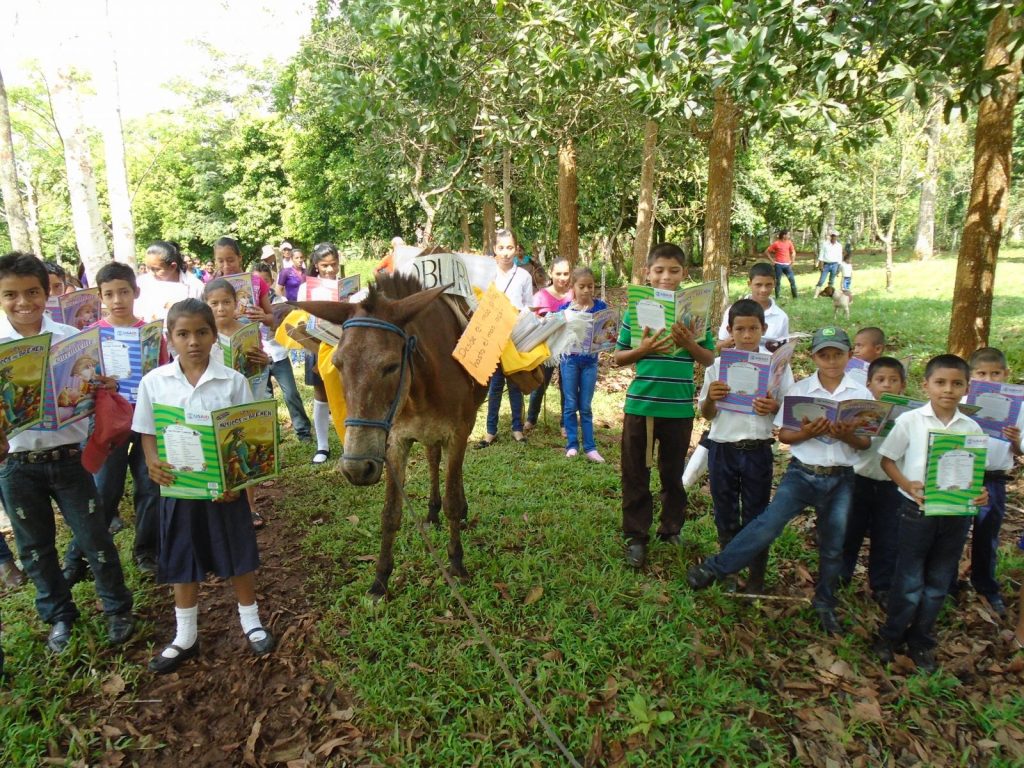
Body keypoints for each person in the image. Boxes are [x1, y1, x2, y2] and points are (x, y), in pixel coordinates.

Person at [688, 326, 873, 636]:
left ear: (849, 356)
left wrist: (848, 434)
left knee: (832, 545)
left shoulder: (861, 394)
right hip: (802, 473)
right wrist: (809, 432)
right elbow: (785, 434)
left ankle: (825, 602)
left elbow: (865, 444)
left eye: (837, 355)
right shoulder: (801, 390)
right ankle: (716, 568)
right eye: (824, 355)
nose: (830, 361)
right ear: (814, 357)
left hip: (840, 478)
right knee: (767, 524)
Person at [0, 251, 134, 653]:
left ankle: (117, 608)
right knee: (35, 549)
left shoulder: (69, 340)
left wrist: (101, 386)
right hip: (17, 464)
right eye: (11, 295)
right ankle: (59, 615)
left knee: (95, 536)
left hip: (69, 458)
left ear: (45, 292)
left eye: (32, 292)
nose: (24, 303)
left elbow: (89, 388)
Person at [134, 298, 274, 673]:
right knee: (182, 556)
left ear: (214, 336)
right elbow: (147, 432)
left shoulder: (233, 381)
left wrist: (238, 483)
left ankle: (251, 621)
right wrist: (152, 462)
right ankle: (186, 636)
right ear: (170, 338)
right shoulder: (154, 383)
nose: (192, 341)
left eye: (201, 332)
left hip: (223, 491)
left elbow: (249, 434)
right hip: (179, 489)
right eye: (182, 334)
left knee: (238, 553)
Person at [872, 354, 987, 673]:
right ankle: (891, 636)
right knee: (908, 579)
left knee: (938, 581)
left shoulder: (972, 426)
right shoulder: (911, 421)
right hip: (917, 512)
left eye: (956, 383)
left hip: (956, 515)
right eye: (940, 382)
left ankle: (921, 640)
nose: (948, 390)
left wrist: (980, 493)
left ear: (966, 388)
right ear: (926, 386)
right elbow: (887, 460)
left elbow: (976, 473)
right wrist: (907, 484)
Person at [62, 263, 169, 584]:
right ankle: (78, 556)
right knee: (103, 491)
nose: (118, 299)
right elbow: (79, 383)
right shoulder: (89, 336)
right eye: (109, 294)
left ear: (135, 292)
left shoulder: (151, 333)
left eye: (124, 292)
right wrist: (98, 384)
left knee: (150, 486)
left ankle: (146, 551)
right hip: (109, 423)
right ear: (100, 296)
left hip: (146, 419)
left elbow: (162, 372)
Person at [614, 243, 715, 568]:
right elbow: (617, 359)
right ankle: (636, 535)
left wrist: (688, 342)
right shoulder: (635, 310)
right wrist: (643, 349)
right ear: (648, 273)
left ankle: (670, 528)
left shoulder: (696, 314)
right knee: (635, 472)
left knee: (672, 474)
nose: (666, 277)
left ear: (684, 273)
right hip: (641, 406)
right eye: (659, 270)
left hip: (679, 408)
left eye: (674, 270)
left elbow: (710, 358)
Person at [699, 299, 792, 593]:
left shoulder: (777, 368)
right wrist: (712, 398)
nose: (748, 335)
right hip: (723, 448)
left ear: (763, 329)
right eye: (740, 329)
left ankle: (755, 576)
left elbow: (788, 411)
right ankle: (728, 571)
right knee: (725, 510)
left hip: (758, 449)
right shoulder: (716, 366)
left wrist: (772, 406)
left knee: (756, 514)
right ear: (730, 330)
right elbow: (706, 414)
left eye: (754, 328)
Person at [955, 347, 1022, 617]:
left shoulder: (1018, 407)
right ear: (971, 377)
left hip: (994, 479)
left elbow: (1019, 451)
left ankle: (985, 586)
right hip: (962, 472)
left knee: (987, 534)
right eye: (982, 373)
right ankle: (947, 583)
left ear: (1006, 374)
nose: (990, 378)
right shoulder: (961, 402)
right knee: (954, 531)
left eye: (996, 373)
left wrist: (1015, 439)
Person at [204, 279, 271, 529]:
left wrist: (263, 360)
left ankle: (251, 507)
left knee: (245, 454)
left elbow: (260, 360)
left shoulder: (247, 329)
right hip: (215, 401)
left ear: (236, 304)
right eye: (214, 303)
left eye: (226, 302)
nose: (221, 308)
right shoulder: (203, 333)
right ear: (205, 305)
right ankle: (216, 498)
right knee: (219, 451)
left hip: (247, 397)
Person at [840, 357, 907, 607]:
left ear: (903, 385)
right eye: (880, 380)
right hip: (859, 479)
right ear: (869, 384)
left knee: (887, 535)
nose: (886, 385)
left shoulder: (909, 417)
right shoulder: (860, 410)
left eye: (893, 380)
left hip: (892, 484)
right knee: (850, 530)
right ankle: (841, 576)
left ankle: (882, 584)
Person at [477, 229, 534, 448]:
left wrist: (520, 318)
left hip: (516, 336)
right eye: (501, 248)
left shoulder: (524, 276)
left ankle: (517, 429)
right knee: (495, 384)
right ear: (494, 249)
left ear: (516, 249)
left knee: (515, 382)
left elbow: (528, 305)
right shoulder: (487, 275)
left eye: (510, 248)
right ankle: (490, 431)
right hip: (493, 336)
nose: (506, 253)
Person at [254, 262, 313, 443]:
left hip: (278, 355)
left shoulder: (279, 302)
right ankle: (272, 436)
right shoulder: (245, 304)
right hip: (257, 358)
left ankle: (303, 432)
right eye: (257, 281)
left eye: (265, 281)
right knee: (265, 400)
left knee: (291, 394)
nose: (261, 285)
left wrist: (268, 318)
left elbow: (279, 327)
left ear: (271, 282)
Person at [297, 243, 344, 465]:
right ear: (316, 265)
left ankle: (348, 442)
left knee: (347, 394)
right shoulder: (306, 288)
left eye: (333, 264)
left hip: (343, 345)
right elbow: (301, 317)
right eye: (325, 265)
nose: (329, 270)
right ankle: (322, 446)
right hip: (317, 345)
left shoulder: (345, 285)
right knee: (321, 394)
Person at [558, 267, 607, 462]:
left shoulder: (600, 307)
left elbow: (608, 330)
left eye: (590, 286)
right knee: (570, 404)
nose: (587, 290)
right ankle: (572, 444)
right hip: (569, 361)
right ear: (573, 287)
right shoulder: (566, 310)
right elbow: (556, 332)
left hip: (590, 363)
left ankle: (590, 447)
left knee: (585, 406)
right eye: (582, 286)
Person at [525, 258, 573, 434]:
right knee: (540, 384)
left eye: (566, 273)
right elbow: (529, 320)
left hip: (568, 349)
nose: (562, 277)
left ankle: (565, 423)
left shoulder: (573, 296)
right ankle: (531, 418)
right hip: (546, 349)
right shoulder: (540, 296)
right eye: (558, 273)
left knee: (566, 386)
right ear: (551, 273)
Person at [717, 262, 790, 349]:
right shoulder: (733, 311)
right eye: (758, 285)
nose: (763, 290)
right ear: (749, 284)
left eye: (768, 285)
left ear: (774, 283)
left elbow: (784, 350)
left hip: (768, 361)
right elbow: (720, 346)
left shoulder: (781, 317)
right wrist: (730, 342)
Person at [211, 236, 275, 327]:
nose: (226, 265)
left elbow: (272, 319)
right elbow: (208, 321)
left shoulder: (256, 282)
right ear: (215, 261)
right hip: (225, 339)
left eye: (230, 260)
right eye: (221, 261)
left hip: (252, 339)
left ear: (239, 257)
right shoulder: (213, 286)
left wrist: (264, 317)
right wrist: (228, 316)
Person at [137, 241, 206, 322]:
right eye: (148, 268)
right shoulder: (141, 283)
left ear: (173, 266)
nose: (151, 274)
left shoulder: (195, 286)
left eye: (156, 269)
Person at [765, 229, 797, 299]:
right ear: (784, 235)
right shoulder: (776, 243)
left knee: (792, 281)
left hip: (787, 265)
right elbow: (767, 252)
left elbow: (793, 252)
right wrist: (772, 261)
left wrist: (792, 261)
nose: (789, 236)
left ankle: (795, 297)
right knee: (778, 282)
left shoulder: (789, 243)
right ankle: (777, 297)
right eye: (788, 234)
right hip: (778, 265)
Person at [813, 231, 843, 297]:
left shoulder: (839, 246)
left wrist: (839, 267)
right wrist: (821, 265)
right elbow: (821, 255)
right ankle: (816, 295)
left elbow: (840, 257)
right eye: (833, 236)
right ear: (831, 236)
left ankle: (830, 294)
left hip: (835, 264)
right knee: (821, 280)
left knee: (831, 281)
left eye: (835, 236)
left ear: (837, 237)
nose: (834, 237)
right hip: (826, 264)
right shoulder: (825, 244)